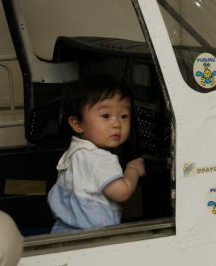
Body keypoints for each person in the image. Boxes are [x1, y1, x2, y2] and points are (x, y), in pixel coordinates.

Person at [48, 75, 145, 233]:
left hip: (63, 233)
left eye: (124, 116)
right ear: (77, 124)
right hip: (93, 238)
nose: (116, 124)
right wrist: (133, 170)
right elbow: (122, 192)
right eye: (106, 116)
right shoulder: (100, 158)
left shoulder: (75, 151)